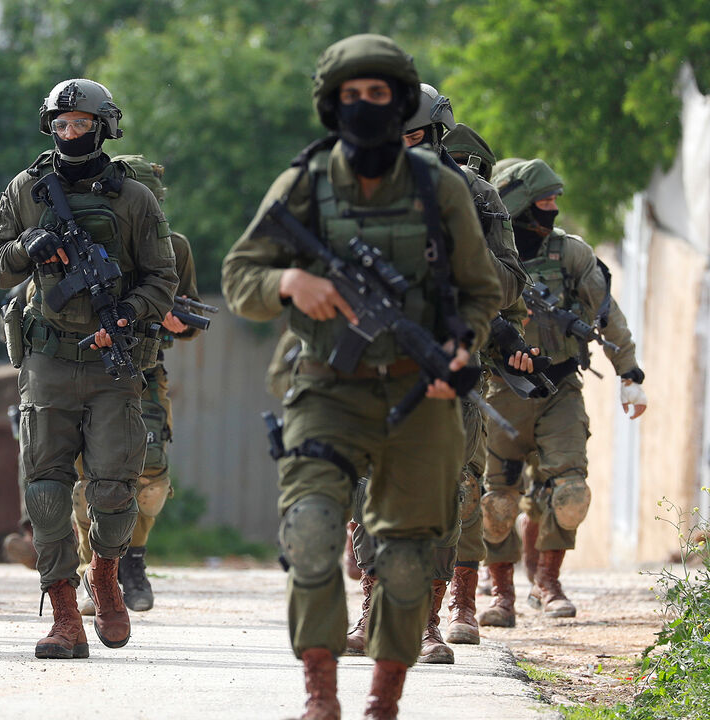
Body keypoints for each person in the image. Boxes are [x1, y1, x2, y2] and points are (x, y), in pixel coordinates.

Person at [221, 34, 501, 718]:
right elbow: (238, 277)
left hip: (421, 392)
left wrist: (461, 350)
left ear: (402, 103)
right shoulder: (305, 184)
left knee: (407, 559)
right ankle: (321, 692)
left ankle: (384, 699)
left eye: (380, 95)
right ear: (332, 103)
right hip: (327, 386)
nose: (367, 107)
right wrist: (289, 280)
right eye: (353, 94)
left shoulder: (445, 191)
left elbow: (481, 292)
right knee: (312, 530)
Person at [0, 78, 177, 659]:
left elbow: (162, 279)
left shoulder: (134, 200)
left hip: (112, 363)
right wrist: (29, 249)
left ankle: (107, 576)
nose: (71, 135)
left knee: (115, 490)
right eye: (61, 125)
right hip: (47, 359)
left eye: (81, 125)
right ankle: (63, 612)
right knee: (45, 492)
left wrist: (127, 320)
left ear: (103, 126)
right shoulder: (25, 190)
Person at [345, 84, 532, 664]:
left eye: (413, 135)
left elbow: (510, 282)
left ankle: (428, 622)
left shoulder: (475, 194)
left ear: (436, 133)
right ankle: (373, 613)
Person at [478, 158, 646, 626]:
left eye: (554, 200)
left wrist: (629, 373)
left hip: (559, 388)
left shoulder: (570, 254)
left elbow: (607, 314)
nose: (552, 208)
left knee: (569, 492)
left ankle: (547, 584)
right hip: (500, 390)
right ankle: (502, 596)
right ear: (515, 204)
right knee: (496, 502)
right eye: (543, 200)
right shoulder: (485, 255)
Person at [71, 154, 202, 615]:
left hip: (145, 370)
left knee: (149, 476)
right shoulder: (78, 238)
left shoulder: (175, 247)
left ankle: (133, 562)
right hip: (87, 368)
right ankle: (93, 570)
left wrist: (172, 320)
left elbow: (184, 316)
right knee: (89, 476)